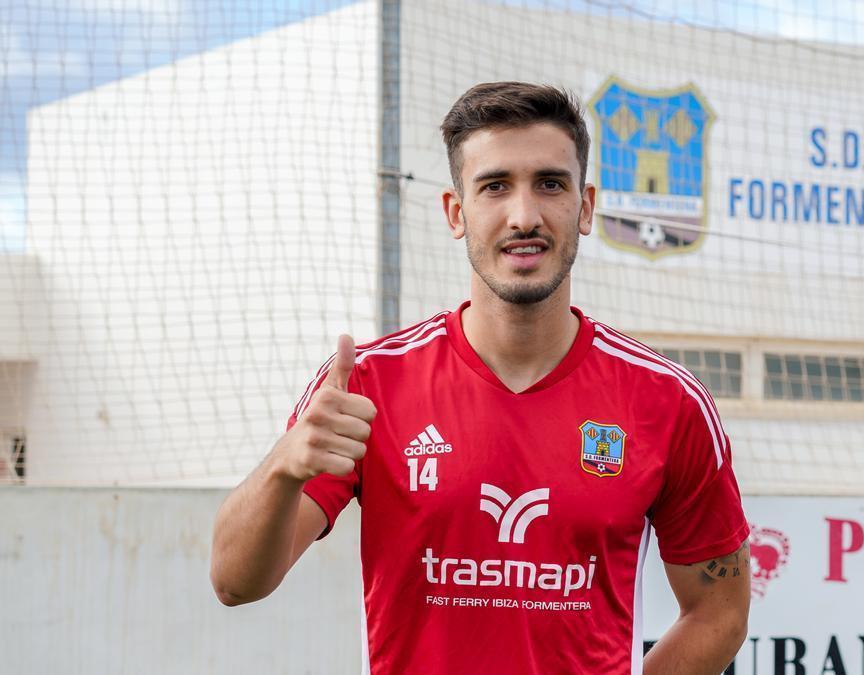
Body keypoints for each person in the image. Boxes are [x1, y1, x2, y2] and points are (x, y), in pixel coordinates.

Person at [210, 81, 750, 674]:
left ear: (586, 206)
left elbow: (718, 610)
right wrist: (286, 465)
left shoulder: (666, 401)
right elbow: (236, 582)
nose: (524, 216)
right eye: (495, 187)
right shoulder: (369, 384)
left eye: (550, 183)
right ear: (456, 212)